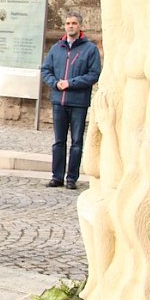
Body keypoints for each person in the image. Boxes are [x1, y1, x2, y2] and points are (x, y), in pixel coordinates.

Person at [40, 12, 101, 189]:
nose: (70, 26)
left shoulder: (90, 49)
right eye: (68, 23)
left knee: (76, 142)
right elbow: (46, 69)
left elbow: (93, 74)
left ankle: (71, 178)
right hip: (59, 101)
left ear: (80, 26)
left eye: (74, 23)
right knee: (59, 142)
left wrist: (71, 83)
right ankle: (56, 176)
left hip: (78, 102)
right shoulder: (57, 48)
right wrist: (55, 83)